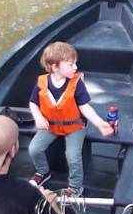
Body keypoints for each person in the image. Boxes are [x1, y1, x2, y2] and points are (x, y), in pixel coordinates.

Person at [28, 41, 114, 198]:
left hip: (75, 127)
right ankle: (43, 172)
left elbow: (85, 107)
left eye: (75, 63)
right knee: (34, 149)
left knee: (72, 155)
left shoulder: (76, 84)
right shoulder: (42, 83)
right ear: (55, 67)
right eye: (70, 64)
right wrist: (38, 117)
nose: (75, 67)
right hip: (51, 125)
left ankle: (75, 187)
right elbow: (33, 103)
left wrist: (100, 123)